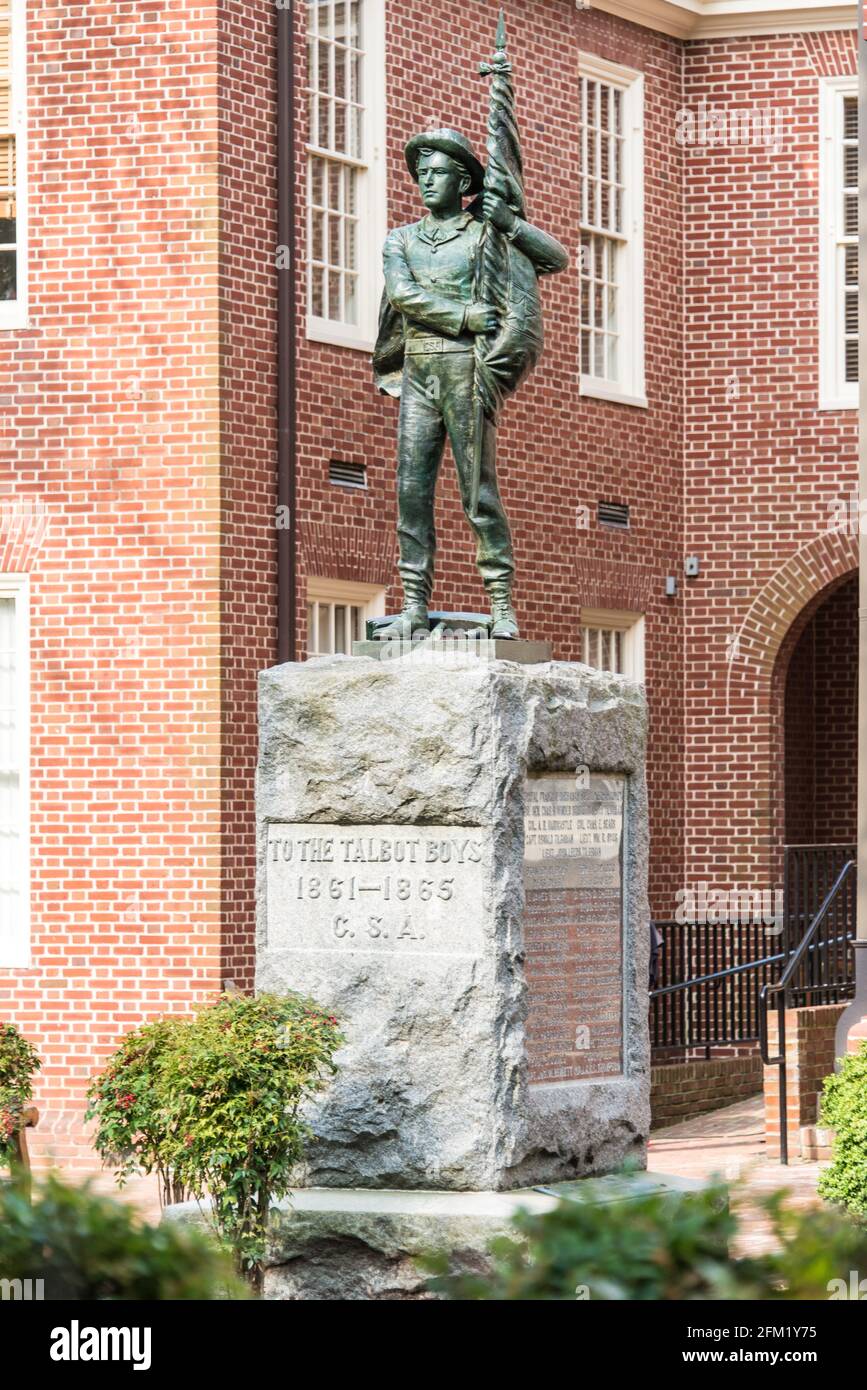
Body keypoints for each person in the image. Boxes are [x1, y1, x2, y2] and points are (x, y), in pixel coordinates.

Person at [373, 128, 568, 639]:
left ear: (463, 181)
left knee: (477, 490)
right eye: (421, 174)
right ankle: (415, 603)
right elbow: (403, 295)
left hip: (466, 370)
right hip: (420, 370)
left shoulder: (483, 235)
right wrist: (464, 315)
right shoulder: (401, 240)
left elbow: (555, 258)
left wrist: (507, 222)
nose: (426, 182)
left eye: (437, 173)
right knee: (411, 491)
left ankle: (502, 603)